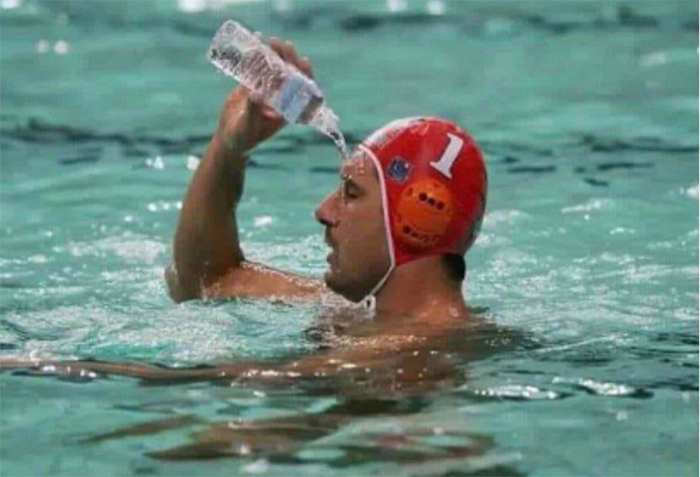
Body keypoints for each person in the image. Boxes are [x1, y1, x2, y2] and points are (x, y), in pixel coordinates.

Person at [0, 36, 487, 386]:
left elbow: (214, 384)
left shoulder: (414, 350)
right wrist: (229, 148)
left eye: (351, 193)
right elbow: (206, 280)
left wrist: (34, 363)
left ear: (420, 220)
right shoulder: (357, 309)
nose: (323, 212)